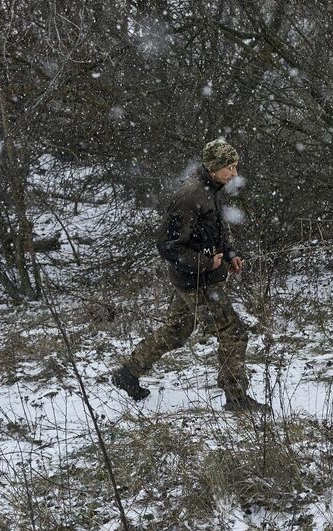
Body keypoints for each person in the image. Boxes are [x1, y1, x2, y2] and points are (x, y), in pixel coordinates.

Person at [111, 140, 265, 412]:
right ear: (215, 167)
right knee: (234, 333)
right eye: (230, 167)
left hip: (193, 278)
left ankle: (128, 373)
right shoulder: (190, 194)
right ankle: (237, 398)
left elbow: (214, 230)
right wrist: (207, 263)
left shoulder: (211, 189)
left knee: (177, 330)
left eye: (235, 166)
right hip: (197, 281)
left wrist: (229, 254)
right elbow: (168, 246)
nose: (235, 173)